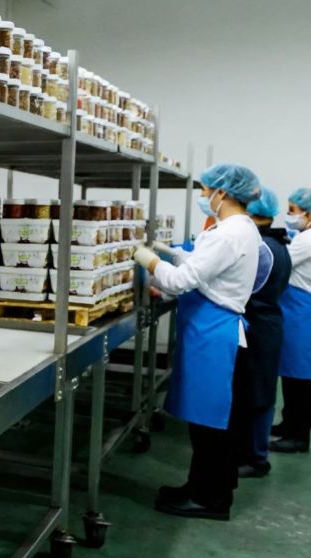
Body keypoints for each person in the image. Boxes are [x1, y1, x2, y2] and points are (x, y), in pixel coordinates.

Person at [133, 164, 262, 520]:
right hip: (212, 328)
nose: (204, 197)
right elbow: (204, 267)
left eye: (207, 191)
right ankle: (200, 487)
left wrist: (149, 259)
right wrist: (169, 251)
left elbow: (179, 281)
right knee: (206, 422)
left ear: (223, 192)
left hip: (213, 333)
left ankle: (212, 500)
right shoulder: (238, 229)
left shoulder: (228, 234)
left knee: (211, 424)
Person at [232, 188, 291, 478]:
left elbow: (243, 286)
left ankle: (255, 459)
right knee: (257, 393)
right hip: (267, 325)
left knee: (255, 395)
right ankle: (252, 454)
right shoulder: (276, 243)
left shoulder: (263, 248)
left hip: (259, 327)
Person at [270, 188, 311, 453]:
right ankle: (289, 424)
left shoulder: (308, 239)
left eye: (293, 210)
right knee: (291, 373)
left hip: (303, 312)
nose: (289, 215)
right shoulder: (303, 236)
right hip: (295, 310)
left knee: (300, 377)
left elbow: (280, 262)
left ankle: (298, 436)